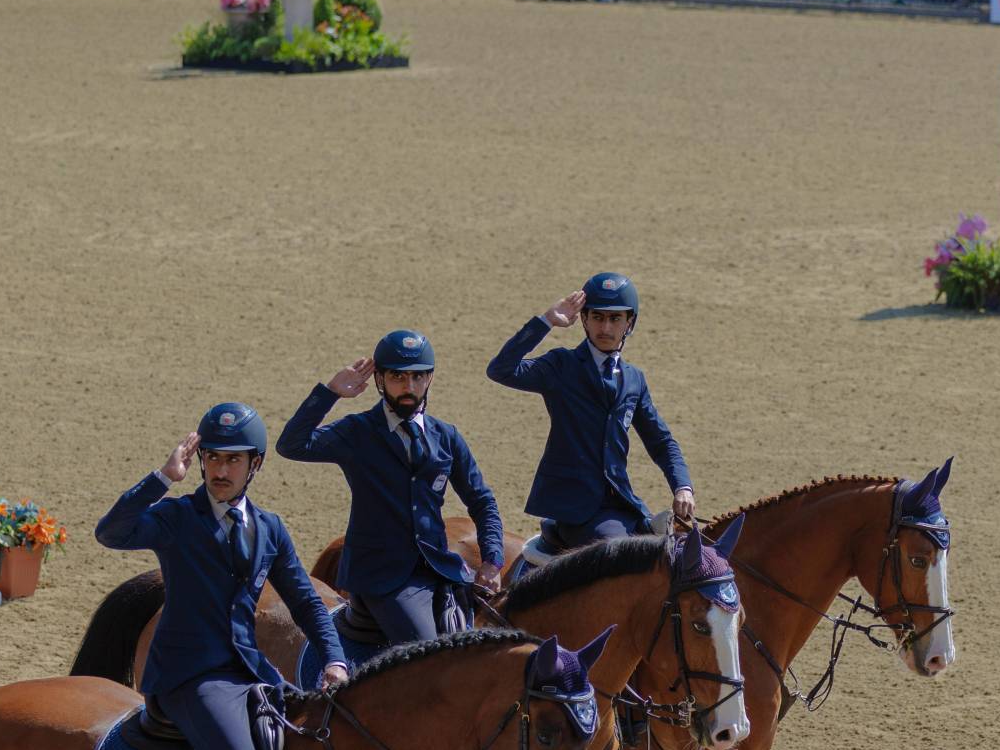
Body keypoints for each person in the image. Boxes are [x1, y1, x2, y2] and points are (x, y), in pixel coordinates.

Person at [96, 403, 348, 750]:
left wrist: (334, 658)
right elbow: (110, 532)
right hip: (186, 677)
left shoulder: (270, 529)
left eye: (233, 460)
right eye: (213, 457)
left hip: (247, 673)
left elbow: (305, 601)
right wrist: (164, 478)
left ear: (254, 465)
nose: (220, 469)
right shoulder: (176, 518)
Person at [276, 331, 503, 646]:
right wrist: (330, 393)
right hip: (381, 578)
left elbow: (482, 502)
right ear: (380, 379)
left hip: (440, 569)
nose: (409, 387)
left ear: (430, 378)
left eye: (417, 377)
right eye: (398, 377)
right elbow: (291, 444)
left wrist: (492, 559)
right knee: (430, 655)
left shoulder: (447, 437)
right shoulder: (357, 432)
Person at [486, 274, 695, 554]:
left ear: (629, 323)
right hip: (576, 510)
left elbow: (661, 442)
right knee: (621, 556)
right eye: (597, 317)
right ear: (584, 320)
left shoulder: (635, 380)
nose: (605, 327)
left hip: (622, 505)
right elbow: (501, 370)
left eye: (615, 319)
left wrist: (683, 487)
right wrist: (546, 321)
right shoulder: (561, 365)